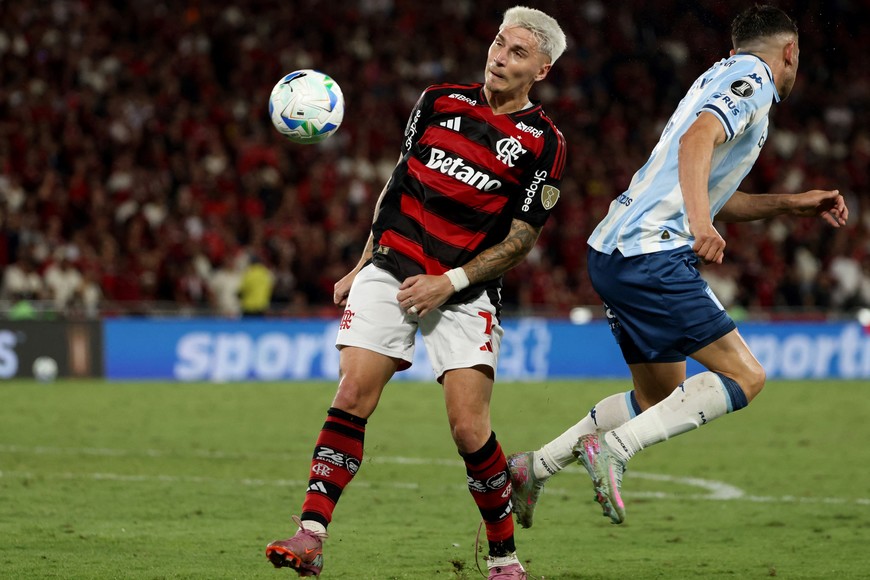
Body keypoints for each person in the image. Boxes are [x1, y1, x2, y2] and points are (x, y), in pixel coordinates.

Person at [507, 4, 849, 529]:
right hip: (653, 253)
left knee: (660, 396)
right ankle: (615, 449)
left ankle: (535, 468)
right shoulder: (752, 77)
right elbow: (696, 144)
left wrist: (791, 203)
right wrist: (700, 224)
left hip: (615, 252)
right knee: (746, 377)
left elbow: (713, 190)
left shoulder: (719, 73)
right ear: (790, 53)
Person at [265, 6, 567, 579]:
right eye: (499, 43)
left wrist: (447, 283)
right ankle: (310, 535)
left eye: (517, 53)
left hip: (464, 286)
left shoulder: (545, 143)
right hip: (393, 262)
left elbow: (522, 240)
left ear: (541, 71)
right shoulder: (437, 100)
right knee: (353, 391)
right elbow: (398, 180)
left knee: (468, 429)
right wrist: (363, 263)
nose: (499, 57)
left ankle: (504, 559)